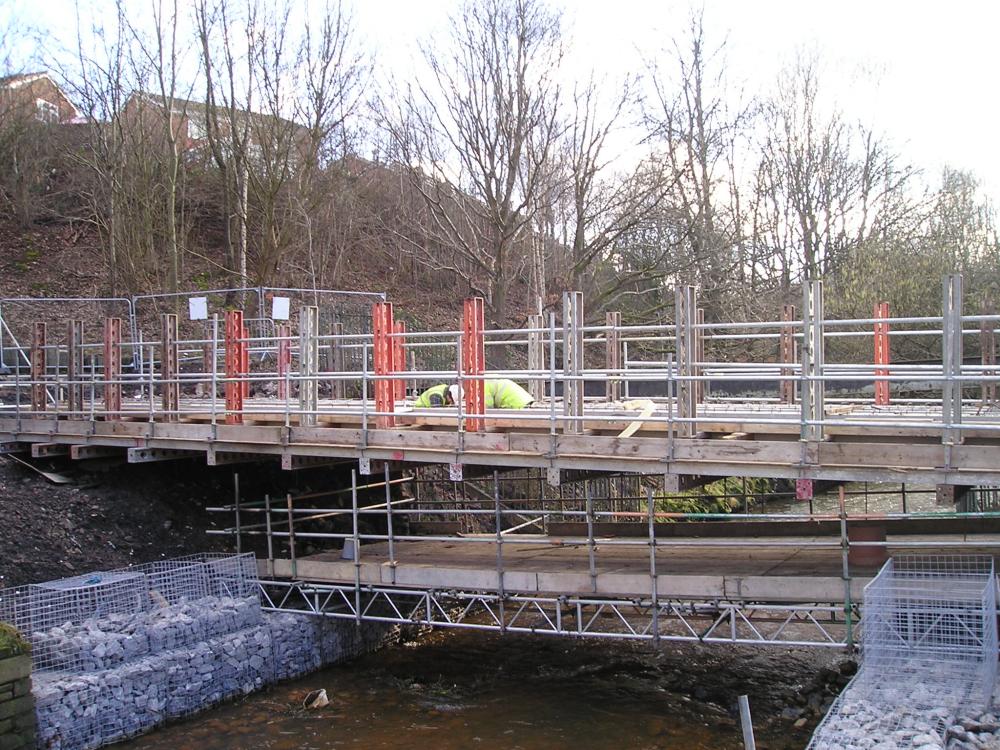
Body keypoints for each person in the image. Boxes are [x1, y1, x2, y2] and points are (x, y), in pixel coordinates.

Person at [413, 379, 534, 409]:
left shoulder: (483, 387)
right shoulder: (437, 396)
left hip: (515, 405)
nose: (450, 403)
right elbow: (436, 415)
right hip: (420, 410)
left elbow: (487, 410)